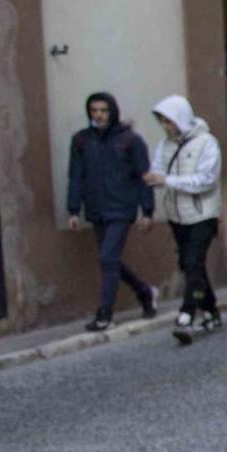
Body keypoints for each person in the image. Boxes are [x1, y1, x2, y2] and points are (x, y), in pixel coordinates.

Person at [65, 91, 157, 332]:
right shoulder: (81, 140)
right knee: (111, 260)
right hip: (96, 208)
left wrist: (147, 211)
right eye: (94, 111)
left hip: (121, 208)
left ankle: (105, 313)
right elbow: (75, 176)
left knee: (107, 258)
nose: (99, 115)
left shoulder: (130, 140)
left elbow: (143, 177)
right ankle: (145, 292)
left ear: (112, 111)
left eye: (104, 110)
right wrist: (73, 209)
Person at [143, 95, 224, 336]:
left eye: (169, 122)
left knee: (193, 264)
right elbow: (158, 169)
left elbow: (206, 180)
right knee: (190, 266)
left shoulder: (206, 143)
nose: (166, 127)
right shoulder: (166, 145)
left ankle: (187, 314)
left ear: (181, 119)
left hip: (203, 215)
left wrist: (167, 180)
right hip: (177, 216)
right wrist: (153, 180)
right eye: (163, 122)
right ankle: (211, 312)